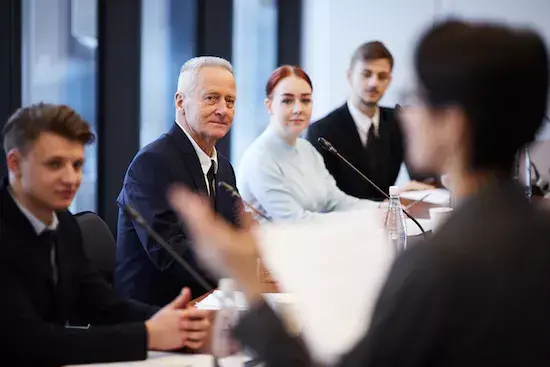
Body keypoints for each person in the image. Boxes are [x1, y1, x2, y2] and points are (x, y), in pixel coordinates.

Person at [168, 20, 550, 366]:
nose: (405, 112)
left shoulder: (438, 265)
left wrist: (249, 291)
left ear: (453, 125)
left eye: (415, 96)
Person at [0, 103, 211, 366]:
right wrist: (146, 336)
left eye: (77, 165)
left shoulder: (63, 223)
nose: (71, 178)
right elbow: (30, 342)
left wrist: (176, 321)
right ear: (15, 164)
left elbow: (102, 304)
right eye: (55, 164)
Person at [115, 56, 242, 306]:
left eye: (230, 101)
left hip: (209, 302)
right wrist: (241, 263)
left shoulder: (224, 168)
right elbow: (170, 254)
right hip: (157, 314)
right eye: (211, 98)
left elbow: (233, 236)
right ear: (180, 102)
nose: (222, 109)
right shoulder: (151, 164)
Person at [237, 65, 377, 222]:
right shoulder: (259, 159)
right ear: (269, 106)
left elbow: (336, 201)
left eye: (305, 100)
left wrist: (380, 209)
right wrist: (366, 217)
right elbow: (296, 221)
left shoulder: (307, 149)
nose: (298, 109)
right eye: (287, 101)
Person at [306, 41, 435, 201]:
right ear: (349, 76)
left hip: (390, 220)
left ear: (389, 81)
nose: (374, 83)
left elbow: (424, 177)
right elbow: (324, 200)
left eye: (382, 76)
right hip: (343, 222)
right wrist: (391, 200)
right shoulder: (321, 132)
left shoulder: (399, 121)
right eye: (366, 74)